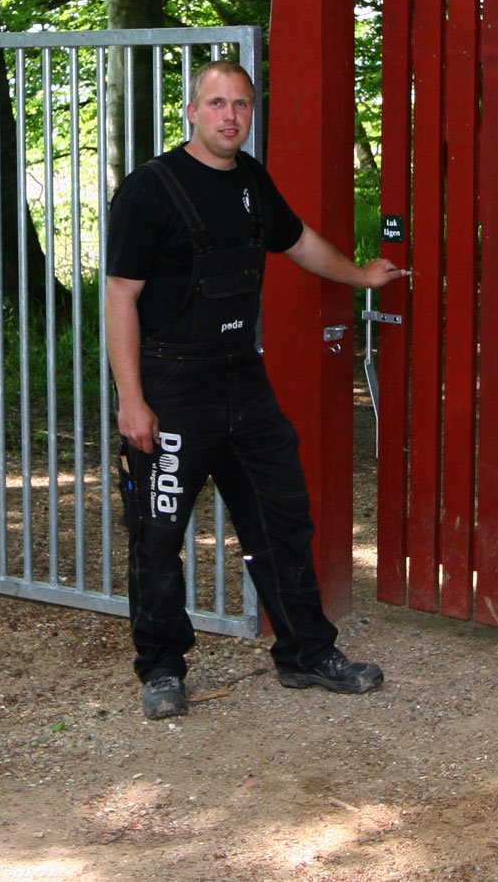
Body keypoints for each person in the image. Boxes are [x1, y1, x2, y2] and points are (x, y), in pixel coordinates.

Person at [105, 59, 410, 720]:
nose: (230, 115)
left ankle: (305, 651)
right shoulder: (148, 191)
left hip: (242, 377)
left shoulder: (250, 182)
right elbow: (121, 297)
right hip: (173, 384)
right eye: (216, 103)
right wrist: (133, 396)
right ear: (191, 111)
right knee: (158, 533)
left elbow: (297, 241)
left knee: (282, 517)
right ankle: (161, 668)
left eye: (241, 104)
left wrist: (359, 275)